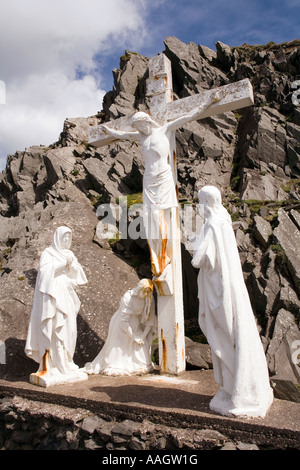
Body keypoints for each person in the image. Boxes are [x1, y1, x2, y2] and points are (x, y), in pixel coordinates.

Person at [102, 92, 223, 278]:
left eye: (139, 125)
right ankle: (156, 256)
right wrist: (108, 131)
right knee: (151, 217)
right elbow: (124, 135)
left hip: (164, 177)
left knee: (160, 218)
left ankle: (164, 254)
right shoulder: (142, 137)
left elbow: (189, 115)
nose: (138, 129)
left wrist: (208, 102)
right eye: (136, 127)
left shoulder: (165, 129)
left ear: (146, 121)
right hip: (149, 180)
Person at [191, 186, 273, 418]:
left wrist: (192, 242)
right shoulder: (224, 218)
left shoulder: (212, 225)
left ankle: (236, 388)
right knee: (235, 333)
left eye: (200, 202)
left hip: (218, 291)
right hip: (229, 287)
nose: (199, 208)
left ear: (206, 202)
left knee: (223, 335)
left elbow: (199, 259)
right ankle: (234, 387)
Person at [25, 226, 88, 385]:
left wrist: (72, 266)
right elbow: (45, 274)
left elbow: (80, 277)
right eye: (64, 238)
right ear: (58, 238)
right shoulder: (48, 253)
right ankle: (52, 364)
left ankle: (67, 361)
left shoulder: (70, 254)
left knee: (69, 328)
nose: (67, 241)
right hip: (53, 296)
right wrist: (62, 264)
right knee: (54, 328)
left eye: (69, 238)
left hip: (67, 295)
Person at [84, 279, 156, 376]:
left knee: (142, 356)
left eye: (147, 292)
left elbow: (149, 321)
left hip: (136, 324)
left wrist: (142, 336)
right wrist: (133, 336)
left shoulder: (149, 299)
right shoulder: (128, 297)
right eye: (143, 291)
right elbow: (124, 320)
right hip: (122, 326)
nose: (145, 294)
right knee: (118, 351)